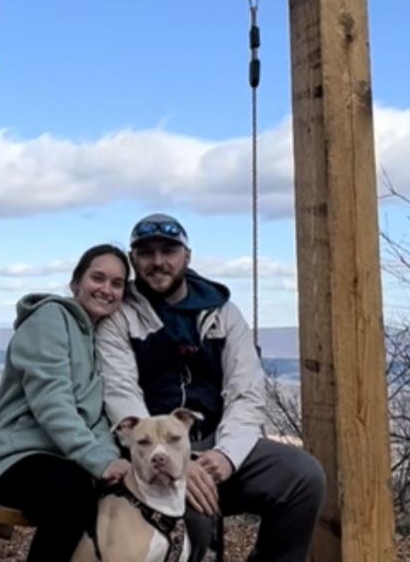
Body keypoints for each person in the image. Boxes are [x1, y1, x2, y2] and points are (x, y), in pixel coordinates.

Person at [96, 214, 325, 562]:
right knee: (192, 525)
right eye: (146, 253)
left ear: (187, 256)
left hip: (219, 442)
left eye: (168, 251)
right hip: (154, 454)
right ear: (133, 260)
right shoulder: (120, 317)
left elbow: (246, 389)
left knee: (303, 477)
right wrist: (173, 455)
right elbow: (121, 392)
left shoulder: (223, 313)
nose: (158, 262)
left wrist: (227, 456)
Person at [0, 243, 132, 562]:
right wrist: (98, 462)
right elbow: (52, 403)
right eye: (98, 278)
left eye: (117, 283)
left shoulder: (99, 339)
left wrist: (110, 460)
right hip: (21, 459)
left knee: (124, 498)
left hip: (68, 460)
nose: (106, 289)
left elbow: (95, 417)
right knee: (74, 494)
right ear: (76, 283)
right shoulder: (49, 319)